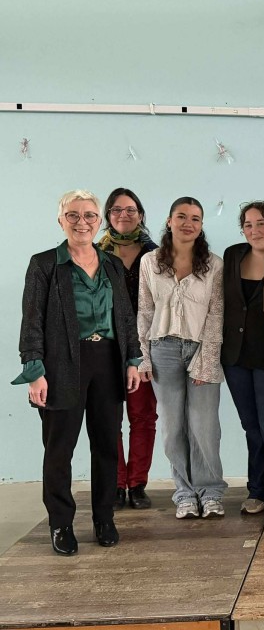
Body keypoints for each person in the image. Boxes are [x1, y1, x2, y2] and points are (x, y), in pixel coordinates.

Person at [15, 190, 141, 555]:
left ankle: (104, 518)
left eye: (88, 215)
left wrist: (133, 359)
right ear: (61, 221)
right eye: (73, 215)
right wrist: (34, 370)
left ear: (98, 221)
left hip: (108, 361)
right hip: (61, 364)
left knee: (107, 445)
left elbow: (125, 316)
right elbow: (31, 321)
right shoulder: (44, 264)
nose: (81, 222)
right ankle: (61, 524)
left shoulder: (112, 264)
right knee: (59, 449)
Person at [138, 197, 226, 520]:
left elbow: (216, 315)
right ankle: (185, 494)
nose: (188, 223)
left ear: (201, 225)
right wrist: (143, 357)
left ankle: (210, 492)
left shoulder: (214, 265)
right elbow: (145, 311)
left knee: (204, 426)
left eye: (195, 218)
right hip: (162, 350)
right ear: (169, 220)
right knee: (172, 427)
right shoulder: (150, 262)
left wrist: (207, 359)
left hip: (202, 348)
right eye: (182, 216)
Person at [97, 188, 159, 511]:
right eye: (117, 210)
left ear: (141, 215)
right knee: (109, 418)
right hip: (105, 347)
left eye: (131, 210)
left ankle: (137, 484)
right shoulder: (94, 254)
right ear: (108, 216)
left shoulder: (156, 254)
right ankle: (116, 483)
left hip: (144, 346)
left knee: (143, 415)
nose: (124, 215)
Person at [222, 201, 264, 515]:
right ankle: (260, 490)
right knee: (252, 427)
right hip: (235, 356)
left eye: (261, 223)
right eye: (248, 224)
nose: (255, 230)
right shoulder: (233, 255)